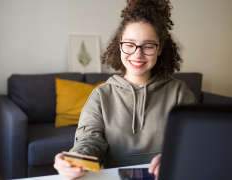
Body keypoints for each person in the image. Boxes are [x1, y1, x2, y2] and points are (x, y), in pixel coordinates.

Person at [54, 0, 197, 179]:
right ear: (119, 44)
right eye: (130, 44)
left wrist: (176, 157)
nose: (138, 53)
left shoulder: (179, 92)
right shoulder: (101, 95)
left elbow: (194, 144)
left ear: (159, 48)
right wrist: (76, 159)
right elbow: (89, 144)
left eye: (148, 46)